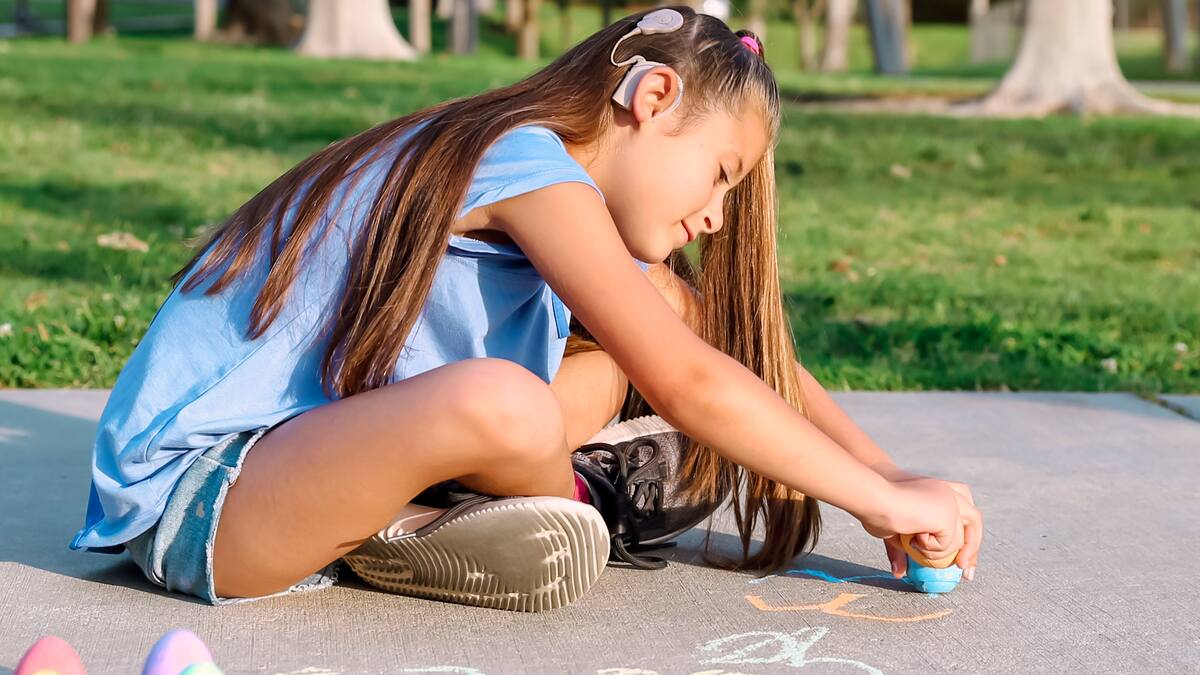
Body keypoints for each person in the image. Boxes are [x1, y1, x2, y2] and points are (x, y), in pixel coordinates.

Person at [68, 5, 982, 611]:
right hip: (201, 504)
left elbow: (726, 346)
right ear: (654, 99)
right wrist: (873, 494)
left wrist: (890, 484)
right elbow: (692, 381)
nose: (714, 215)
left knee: (609, 353)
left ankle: (477, 515)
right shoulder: (525, 162)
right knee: (506, 401)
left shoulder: (551, 181)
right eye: (721, 175)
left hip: (297, 467)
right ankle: (560, 506)